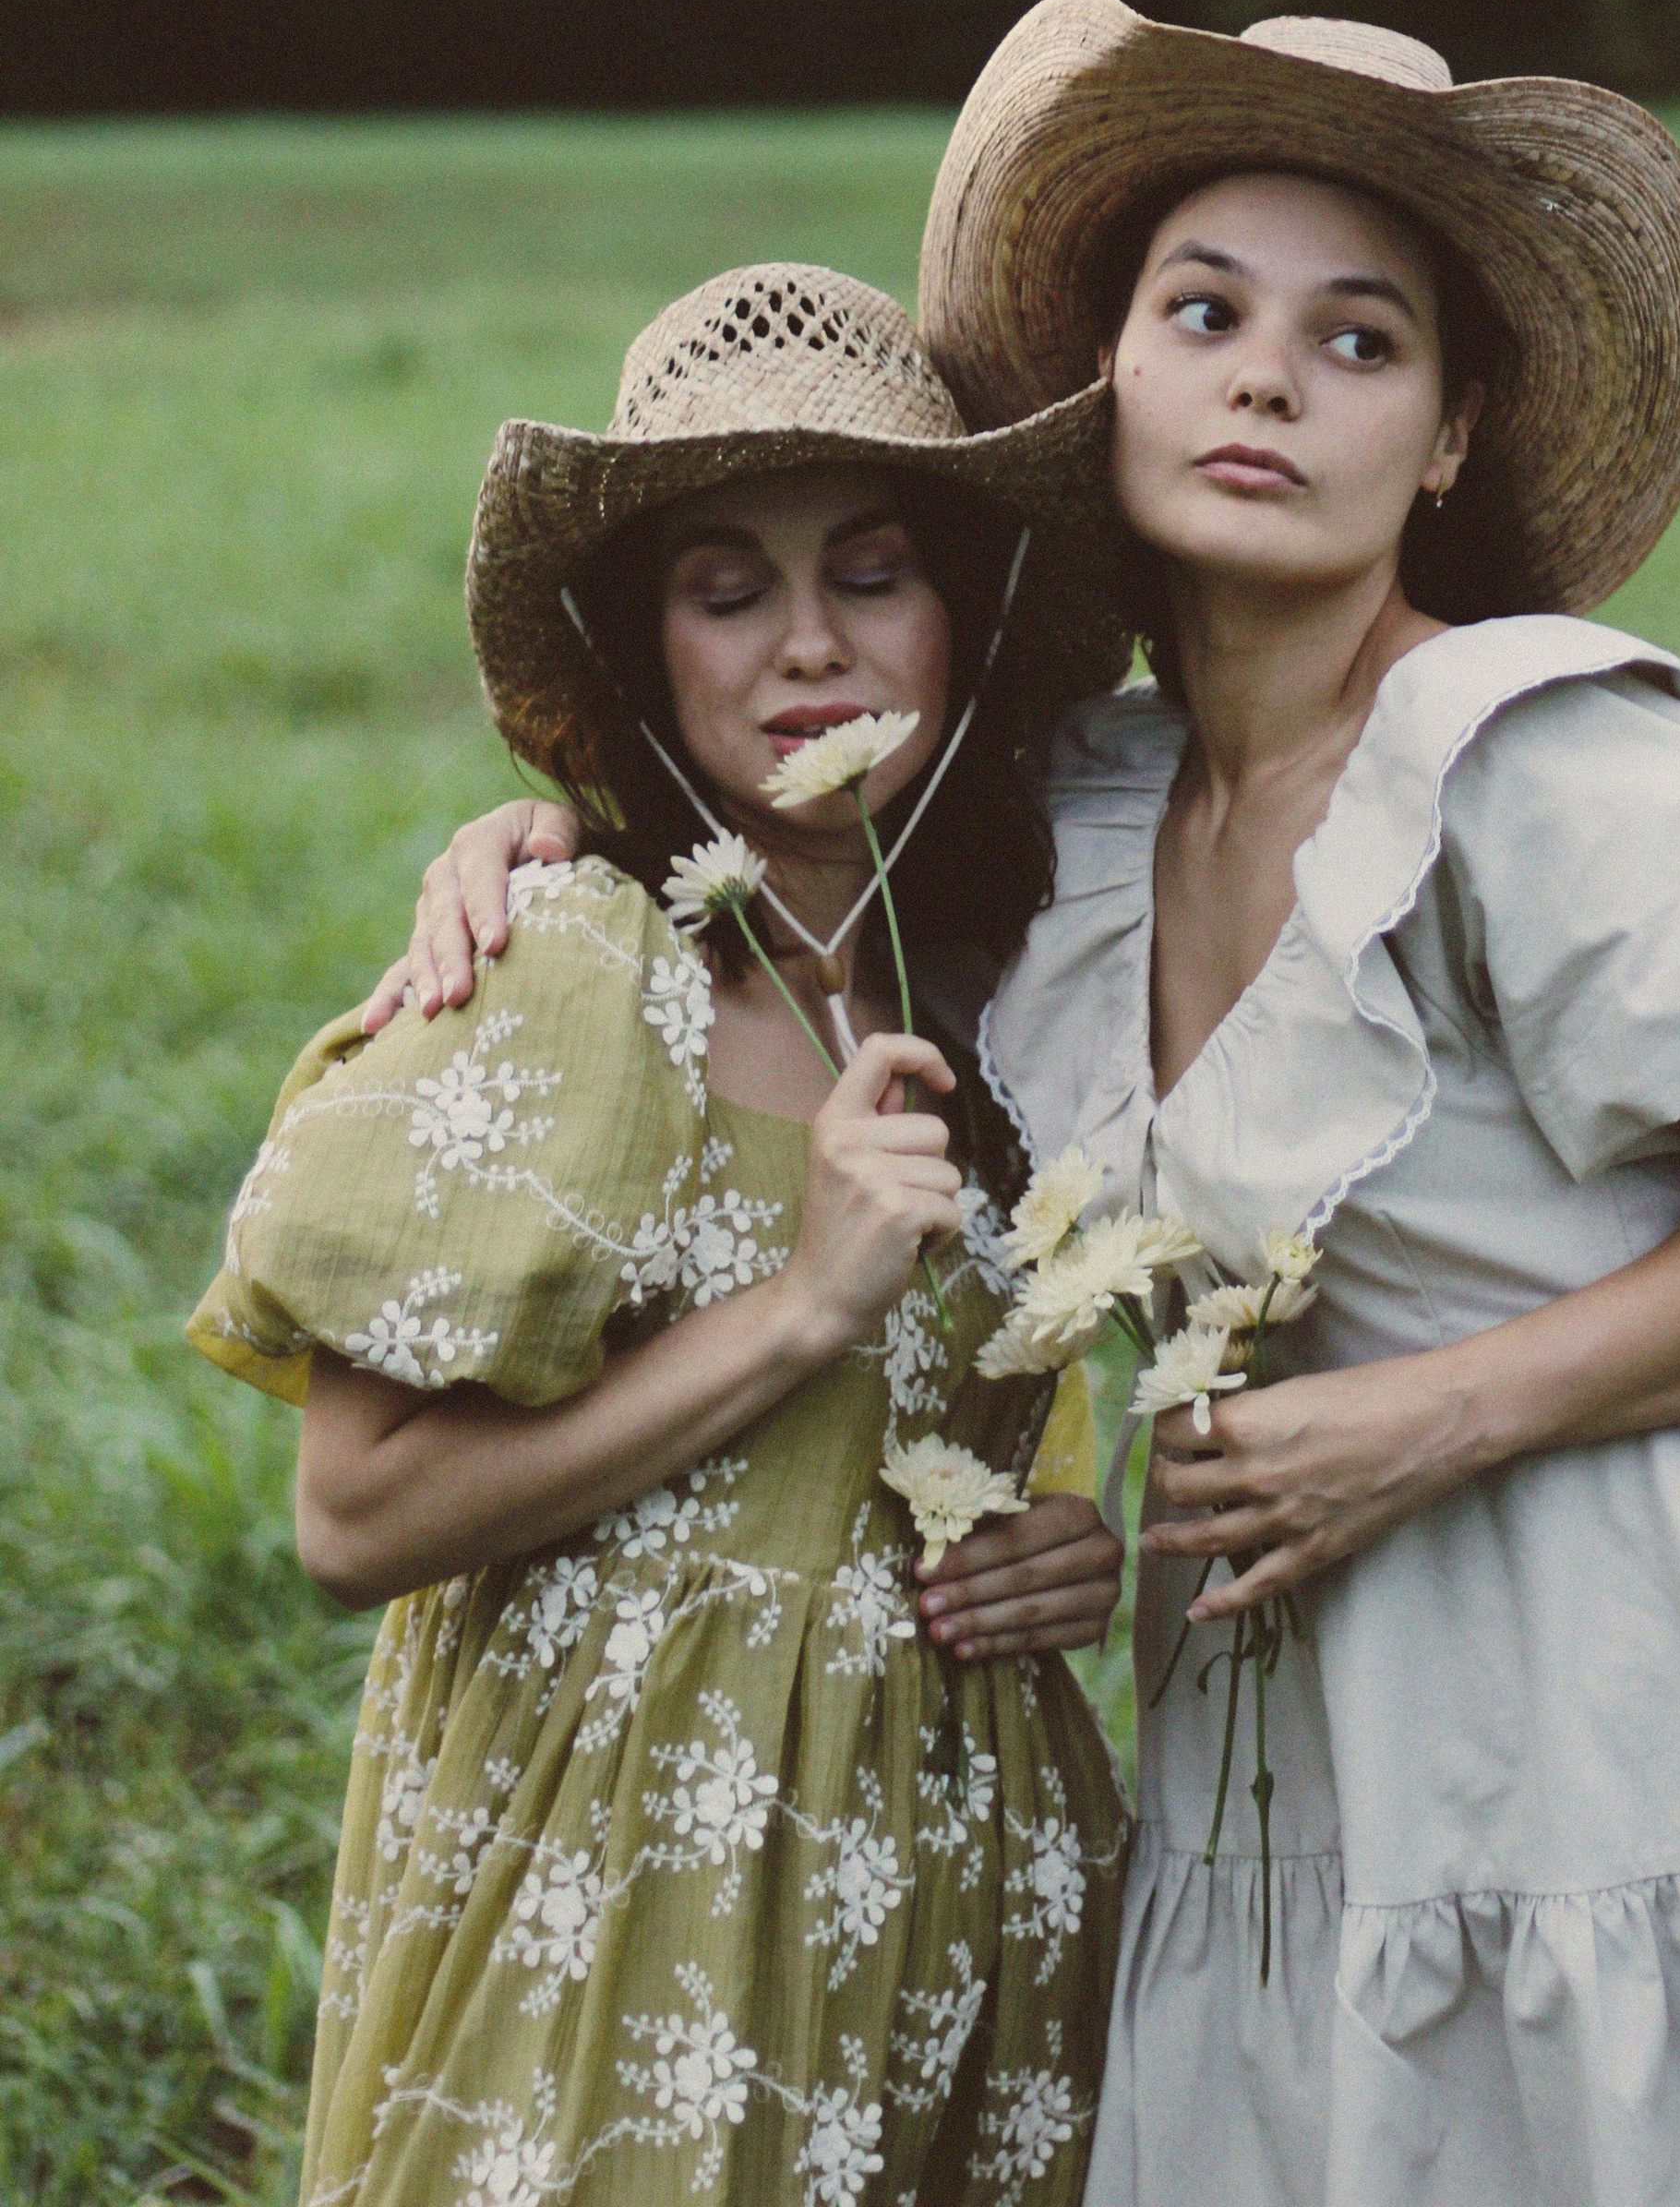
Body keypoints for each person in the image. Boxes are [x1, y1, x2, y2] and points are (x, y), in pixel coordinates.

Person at [400, 8, 1680, 2207]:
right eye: (1203, 313)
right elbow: (780, 811)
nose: (1263, 379)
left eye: (1358, 343)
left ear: (1443, 439)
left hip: (1645, 1707)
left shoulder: (1526, 764)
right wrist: (537, 844)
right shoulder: (1081, 808)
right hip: (1302, 1749)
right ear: (1105, 383)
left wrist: (1445, 1410)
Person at [189, 264, 1133, 2207]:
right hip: (631, 1870)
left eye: (872, 575)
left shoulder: (1007, 987)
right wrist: (790, 1319)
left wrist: (1056, 1550)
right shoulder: (575, 969)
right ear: (647, 657)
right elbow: (352, 1519)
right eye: (727, 592)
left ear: (961, 616)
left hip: (951, 1870)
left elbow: (978, 1421)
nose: (808, 647)